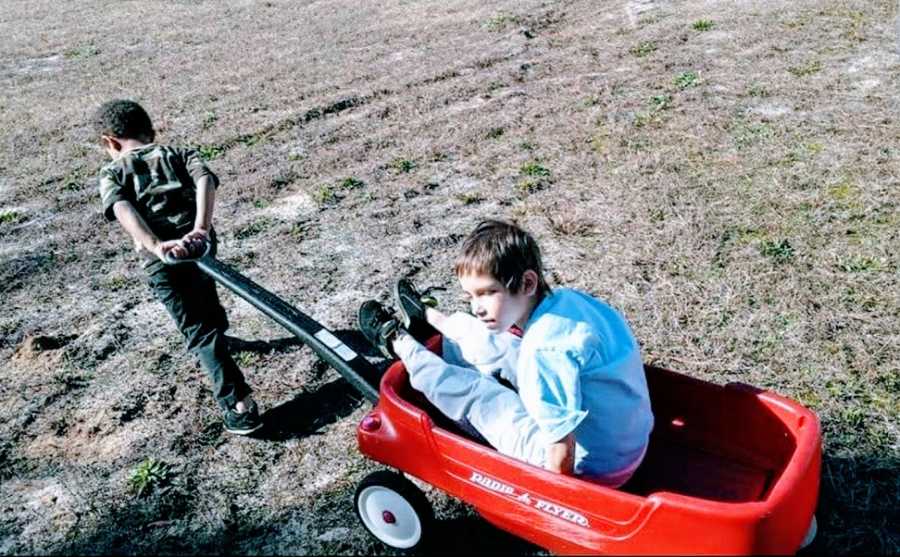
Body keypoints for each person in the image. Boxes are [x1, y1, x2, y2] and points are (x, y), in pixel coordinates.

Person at [358, 220, 653, 485]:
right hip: (630, 442)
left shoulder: (543, 350)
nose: (477, 306)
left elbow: (561, 444)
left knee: (482, 397)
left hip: (593, 468)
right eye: (470, 296)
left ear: (527, 283)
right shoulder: (568, 303)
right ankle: (430, 319)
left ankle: (398, 340)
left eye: (487, 292)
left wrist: (560, 499)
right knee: (501, 341)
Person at [94, 99, 262, 435]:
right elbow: (205, 181)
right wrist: (200, 228)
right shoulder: (178, 153)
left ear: (109, 142)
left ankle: (239, 405)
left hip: (162, 262)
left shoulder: (113, 171)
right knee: (206, 295)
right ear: (150, 130)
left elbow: (122, 206)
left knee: (199, 330)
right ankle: (224, 340)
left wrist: (155, 245)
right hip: (200, 248)